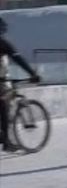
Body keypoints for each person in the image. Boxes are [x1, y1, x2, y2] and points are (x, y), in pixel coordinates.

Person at [0, 17, 42, 152]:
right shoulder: (3, 44)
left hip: (3, 79)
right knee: (4, 107)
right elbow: (18, 59)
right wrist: (32, 74)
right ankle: (6, 142)